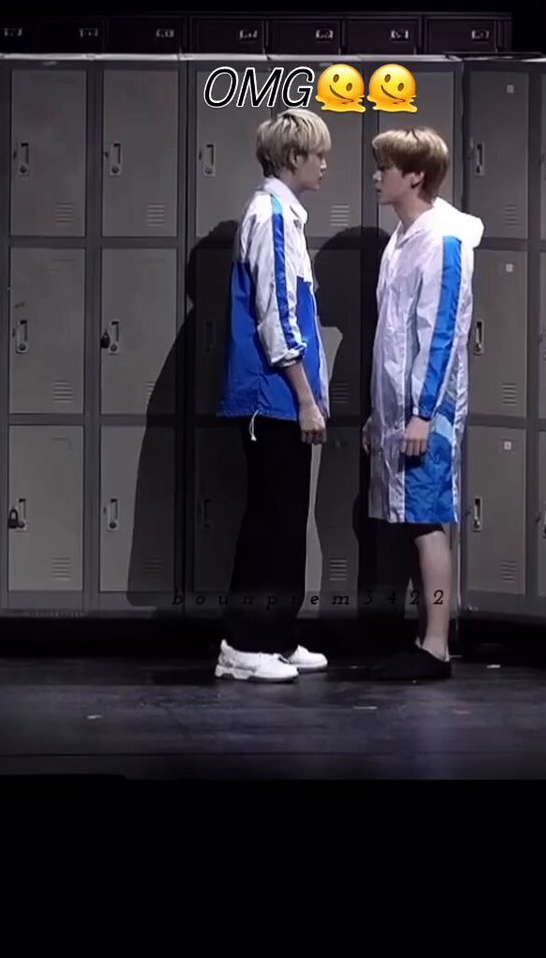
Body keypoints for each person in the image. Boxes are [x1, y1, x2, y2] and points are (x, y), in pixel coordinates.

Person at [363, 127, 484, 680]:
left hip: (427, 413)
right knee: (414, 523)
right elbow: (392, 338)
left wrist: (422, 413)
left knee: (428, 521)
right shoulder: (403, 239)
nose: (376, 177)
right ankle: (425, 638)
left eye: (385, 167)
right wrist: (381, 414)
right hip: (401, 411)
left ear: (415, 176)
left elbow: (442, 335)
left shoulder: (443, 240)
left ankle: (436, 645)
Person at [215, 108, 331, 683]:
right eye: (318, 155)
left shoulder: (284, 216)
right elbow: (278, 318)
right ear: (292, 158)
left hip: (281, 397)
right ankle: (243, 643)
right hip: (272, 397)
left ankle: (278, 636)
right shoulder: (273, 217)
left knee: (285, 521)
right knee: (269, 522)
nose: (325, 165)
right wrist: (305, 398)